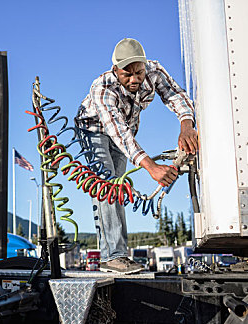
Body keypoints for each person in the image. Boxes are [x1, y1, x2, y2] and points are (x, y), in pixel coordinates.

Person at [74, 38, 198, 274]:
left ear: (144, 65)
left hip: (125, 130)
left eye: (138, 73)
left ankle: (117, 253)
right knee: (107, 185)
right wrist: (151, 167)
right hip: (93, 130)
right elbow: (120, 134)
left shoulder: (155, 71)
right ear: (115, 70)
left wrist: (186, 125)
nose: (134, 80)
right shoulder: (102, 88)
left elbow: (175, 95)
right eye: (126, 75)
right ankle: (113, 256)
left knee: (118, 189)